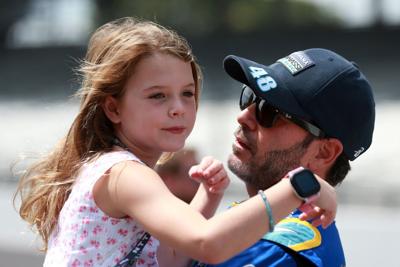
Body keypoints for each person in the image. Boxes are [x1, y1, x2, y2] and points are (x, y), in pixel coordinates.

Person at [14, 18, 337, 267]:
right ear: (113, 108)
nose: (177, 108)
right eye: (157, 96)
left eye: (187, 93)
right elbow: (207, 243)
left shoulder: (122, 171)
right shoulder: (125, 175)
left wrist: (206, 199)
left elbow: (168, 258)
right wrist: (299, 186)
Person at [200, 48, 375, 267]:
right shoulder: (258, 228)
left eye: (270, 111)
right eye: (249, 96)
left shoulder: (275, 251)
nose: (244, 116)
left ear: (324, 152)